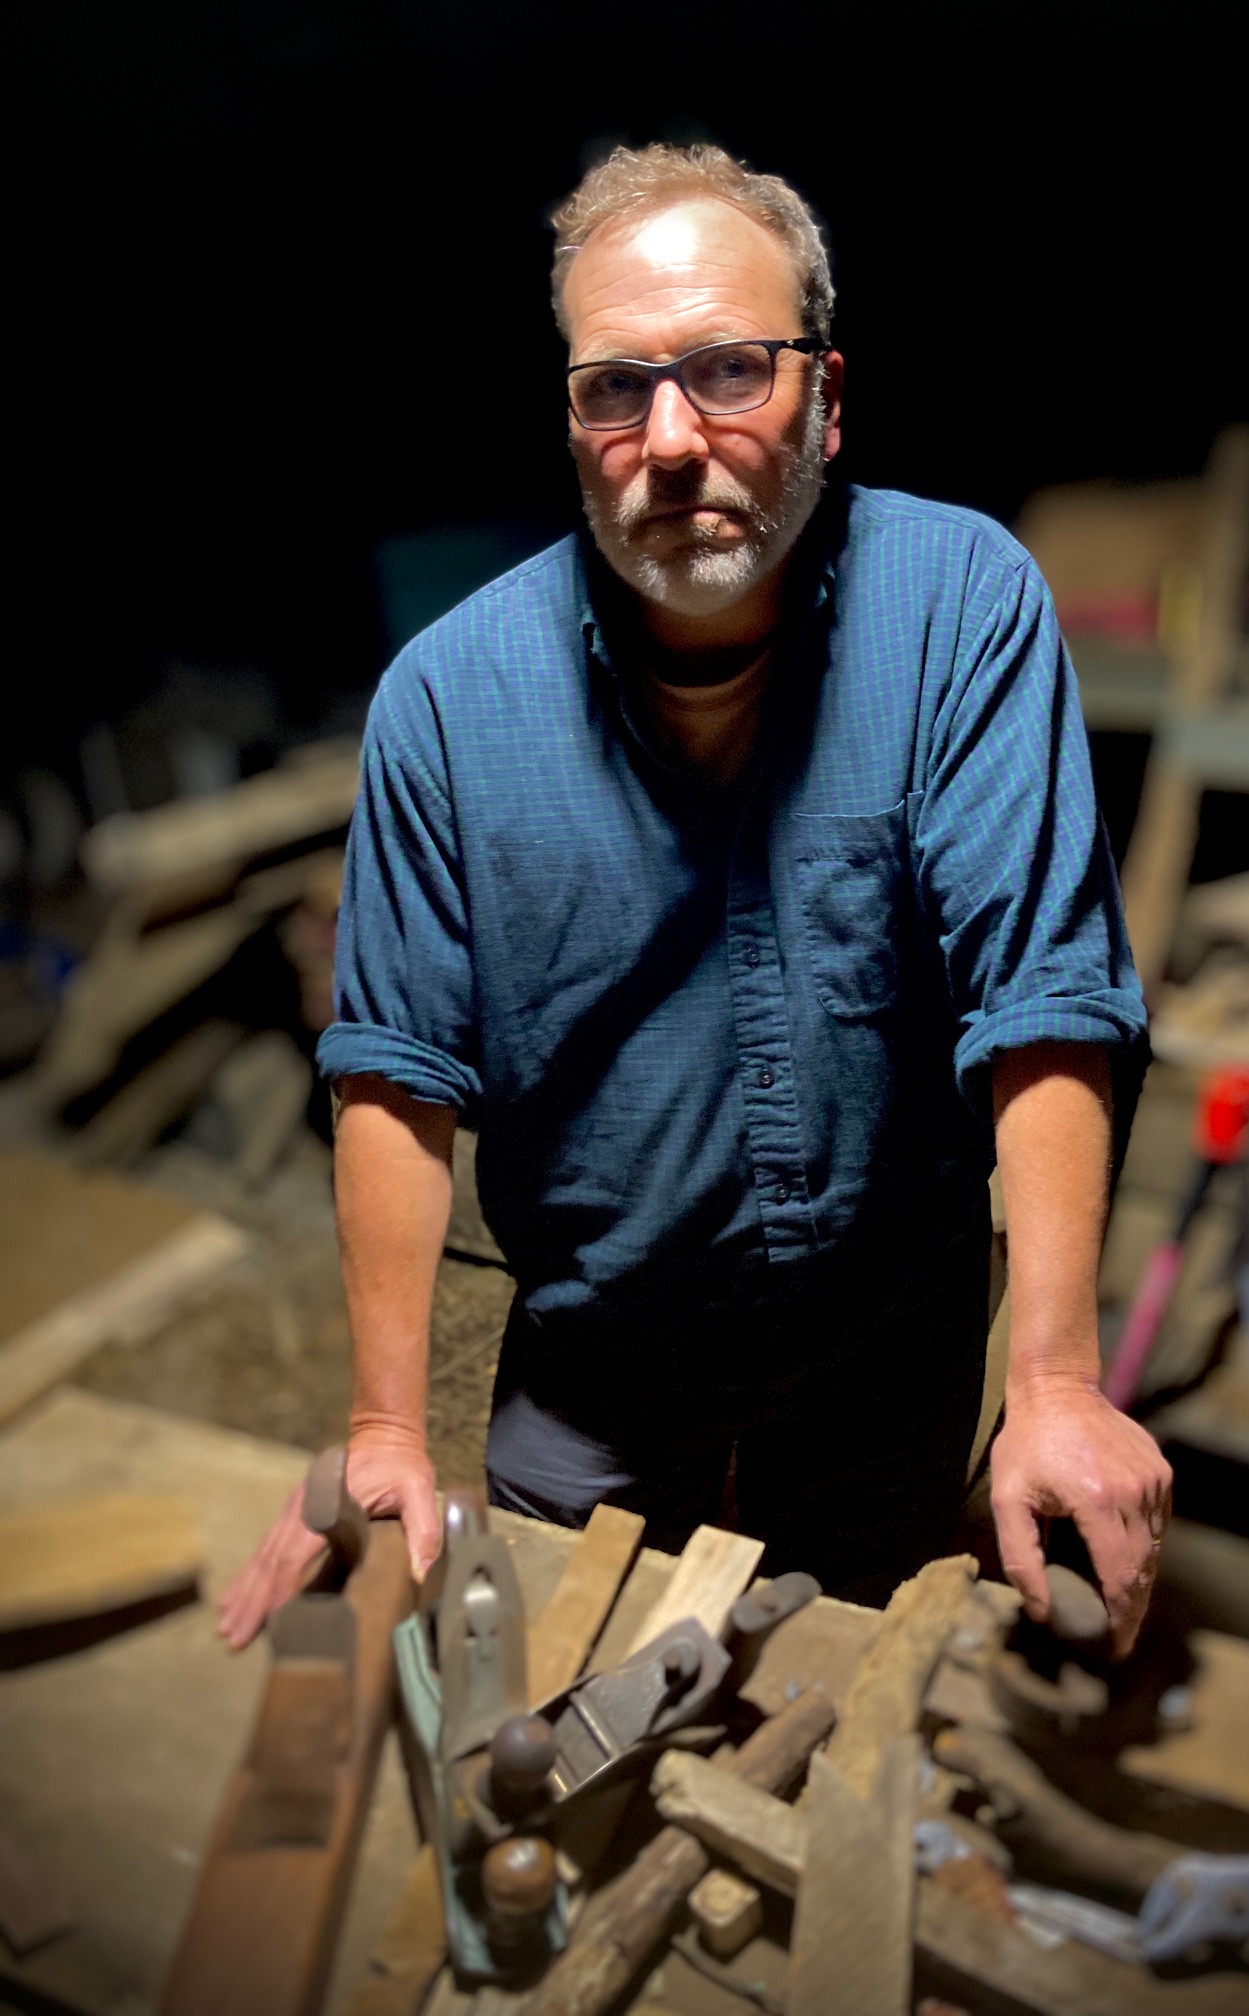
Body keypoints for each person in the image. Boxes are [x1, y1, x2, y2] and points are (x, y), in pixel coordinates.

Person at [219, 143, 1171, 1655]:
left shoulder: (963, 608)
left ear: (831, 399)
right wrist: (384, 1423)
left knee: (846, 1700)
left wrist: (1051, 1378)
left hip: (893, 1363)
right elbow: (395, 1072)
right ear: (574, 417)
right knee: (548, 1723)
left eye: (731, 370)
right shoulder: (448, 704)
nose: (672, 439)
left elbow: (1044, 994)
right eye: (616, 388)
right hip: (593, 1381)